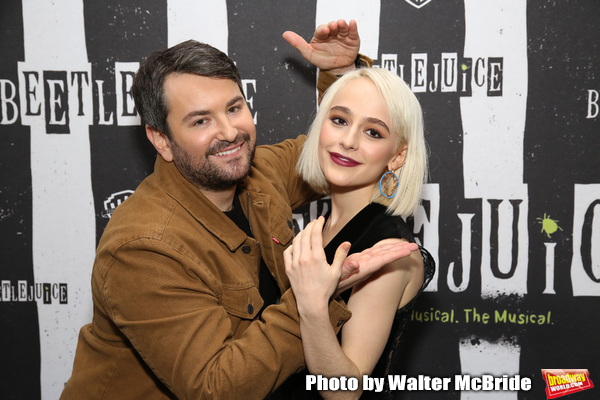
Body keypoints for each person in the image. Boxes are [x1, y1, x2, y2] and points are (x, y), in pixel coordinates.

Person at [60, 21, 420, 400]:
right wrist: (310, 299)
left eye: (234, 108)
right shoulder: (144, 248)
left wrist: (343, 77)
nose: (229, 132)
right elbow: (217, 389)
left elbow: (340, 153)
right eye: (201, 120)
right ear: (162, 140)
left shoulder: (256, 173)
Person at [281, 67, 435, 399]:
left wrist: (312, 303)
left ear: (397, 156)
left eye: (373, 133)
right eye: (339, 120)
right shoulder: (318, 228)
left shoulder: (389, 250)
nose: (348, 141)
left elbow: (344, 392)